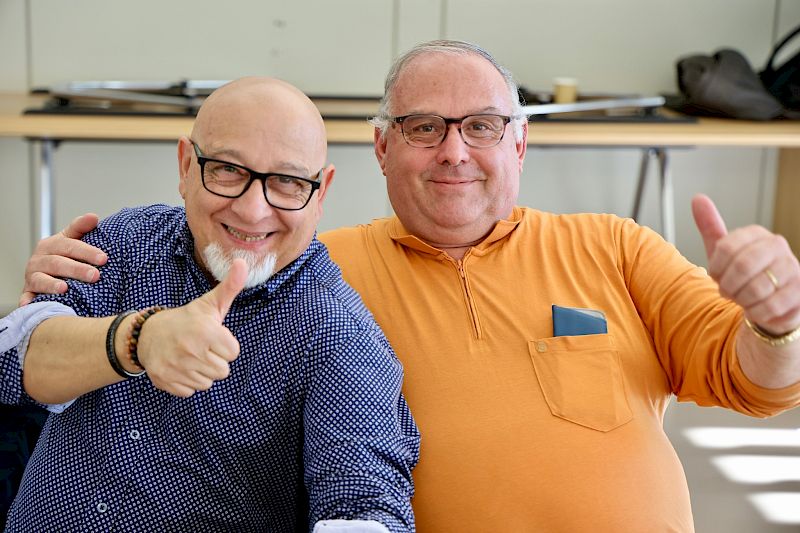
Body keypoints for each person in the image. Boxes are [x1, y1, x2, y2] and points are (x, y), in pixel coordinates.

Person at [19, 40, 800, 532]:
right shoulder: (305, 270)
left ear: (520, 143)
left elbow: (760, 382)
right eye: (425, 127)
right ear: (382, 149)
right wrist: (64, 299)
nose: (454, 151)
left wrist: (778, 323)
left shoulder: (616, 247)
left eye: (482, 125)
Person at [1, 77, 419, 533]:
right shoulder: (129, 240)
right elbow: (13, 364)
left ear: (320, 193)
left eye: (287, 181)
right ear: (186, 166)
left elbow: (366, 509)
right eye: (227, 170)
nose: (253, 210)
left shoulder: (341, 336)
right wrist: (136, 341)